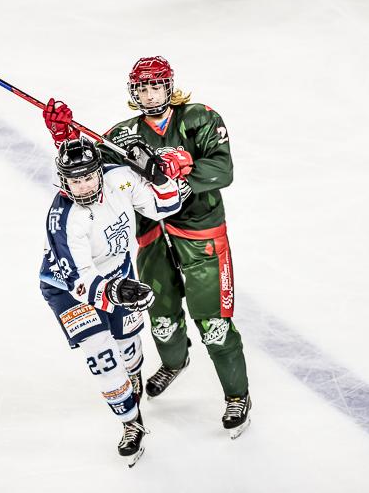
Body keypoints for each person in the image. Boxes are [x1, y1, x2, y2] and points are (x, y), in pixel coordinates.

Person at [44, 57, 251, 437]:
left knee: (214, 325)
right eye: (142, 88)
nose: (150, 94)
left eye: (156, 85)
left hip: (201, 233)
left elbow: (223, 170)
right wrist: (65, 137)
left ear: (169, 86)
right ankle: (175, 362)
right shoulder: (123, 134)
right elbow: (88, 170)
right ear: (132, 92)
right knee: (162, 318)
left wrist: (182, 166)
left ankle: (237, 396)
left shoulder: (200, 118)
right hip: (151, 237)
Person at [38, 122, 181, 464]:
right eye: (75, 181)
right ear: (63, 181)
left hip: (117, 271)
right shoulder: (64, 219)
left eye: (88, 177)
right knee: (101, 354)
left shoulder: (120, 178)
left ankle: (133, 376)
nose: (83, 186)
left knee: (128, 346)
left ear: (99, 171)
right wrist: (115, 291)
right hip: (67, 288)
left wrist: (159, 178)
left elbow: (166, 206)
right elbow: (79, 281)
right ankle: (131, 422)